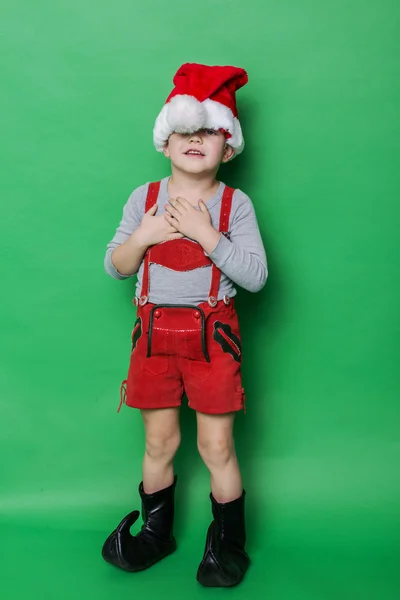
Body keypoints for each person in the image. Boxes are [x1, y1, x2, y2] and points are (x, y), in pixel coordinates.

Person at [101, 63, 267, 587]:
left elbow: (258, 277)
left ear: (229, 148)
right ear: (165, 143)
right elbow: (117, 265)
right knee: (160, 444)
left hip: (213, 341)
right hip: (152, 340)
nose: (195, 139)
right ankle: (156, 534)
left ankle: (228, 548)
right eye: (183, 132)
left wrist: (205, 232)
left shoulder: (235, 205)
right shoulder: (143, 200)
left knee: (216, 447)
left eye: (209, 132)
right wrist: (145, 235)